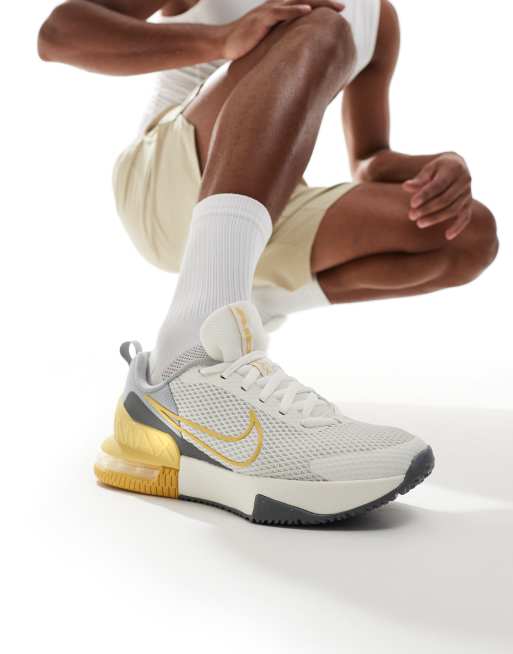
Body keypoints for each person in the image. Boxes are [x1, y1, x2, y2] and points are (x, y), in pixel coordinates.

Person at [38, 0, 497, 525]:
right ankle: (188, 356)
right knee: (323, 30)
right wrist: (221, 40)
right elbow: (59, 33)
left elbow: (369, 159)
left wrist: (440, 167)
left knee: (466, 236)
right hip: (162, 184)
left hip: (269, 202)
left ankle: (247, 302)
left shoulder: (379, 18)